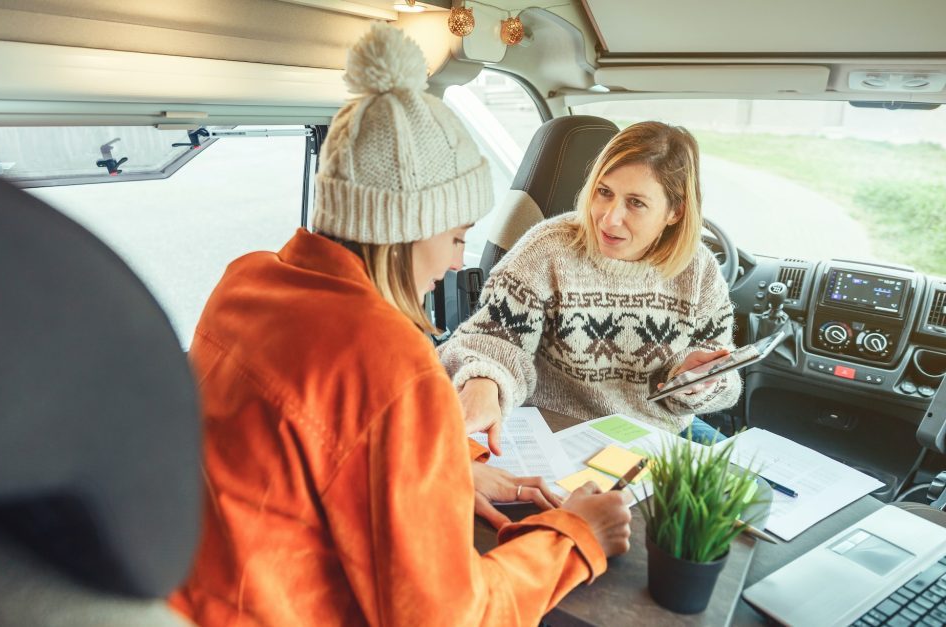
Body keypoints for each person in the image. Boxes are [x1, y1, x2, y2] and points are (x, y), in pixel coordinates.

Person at [169, 23, 632, 626]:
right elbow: (448, 617)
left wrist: (446, 472)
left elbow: (299, 464)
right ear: (406, 229)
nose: (458, 261)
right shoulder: (393, 366)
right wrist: (575, 535)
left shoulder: (245, 281)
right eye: (457, 237)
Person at [439, 121, 741, 452]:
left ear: (675, 211)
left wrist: (696, 381)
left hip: (659, 434)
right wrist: (484, 379)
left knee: (754, 494)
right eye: (604, 192)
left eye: (636, 203)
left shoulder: (699, 269)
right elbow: (492, 337)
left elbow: (723, 378)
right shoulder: (549, 249)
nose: (609, 218)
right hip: (565, 430)